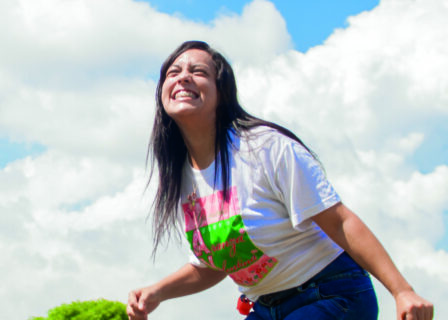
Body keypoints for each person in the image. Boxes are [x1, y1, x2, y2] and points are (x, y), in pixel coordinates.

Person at [126, 41, 434, 320]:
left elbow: (339, 221)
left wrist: (401, 290)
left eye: (198, 71)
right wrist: (157, 292)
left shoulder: (263, 147)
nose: (183, 77)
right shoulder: (181, 177)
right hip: (266, 307)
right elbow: (218, 264)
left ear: (222, 92)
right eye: (173, 72)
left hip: (330, 293)